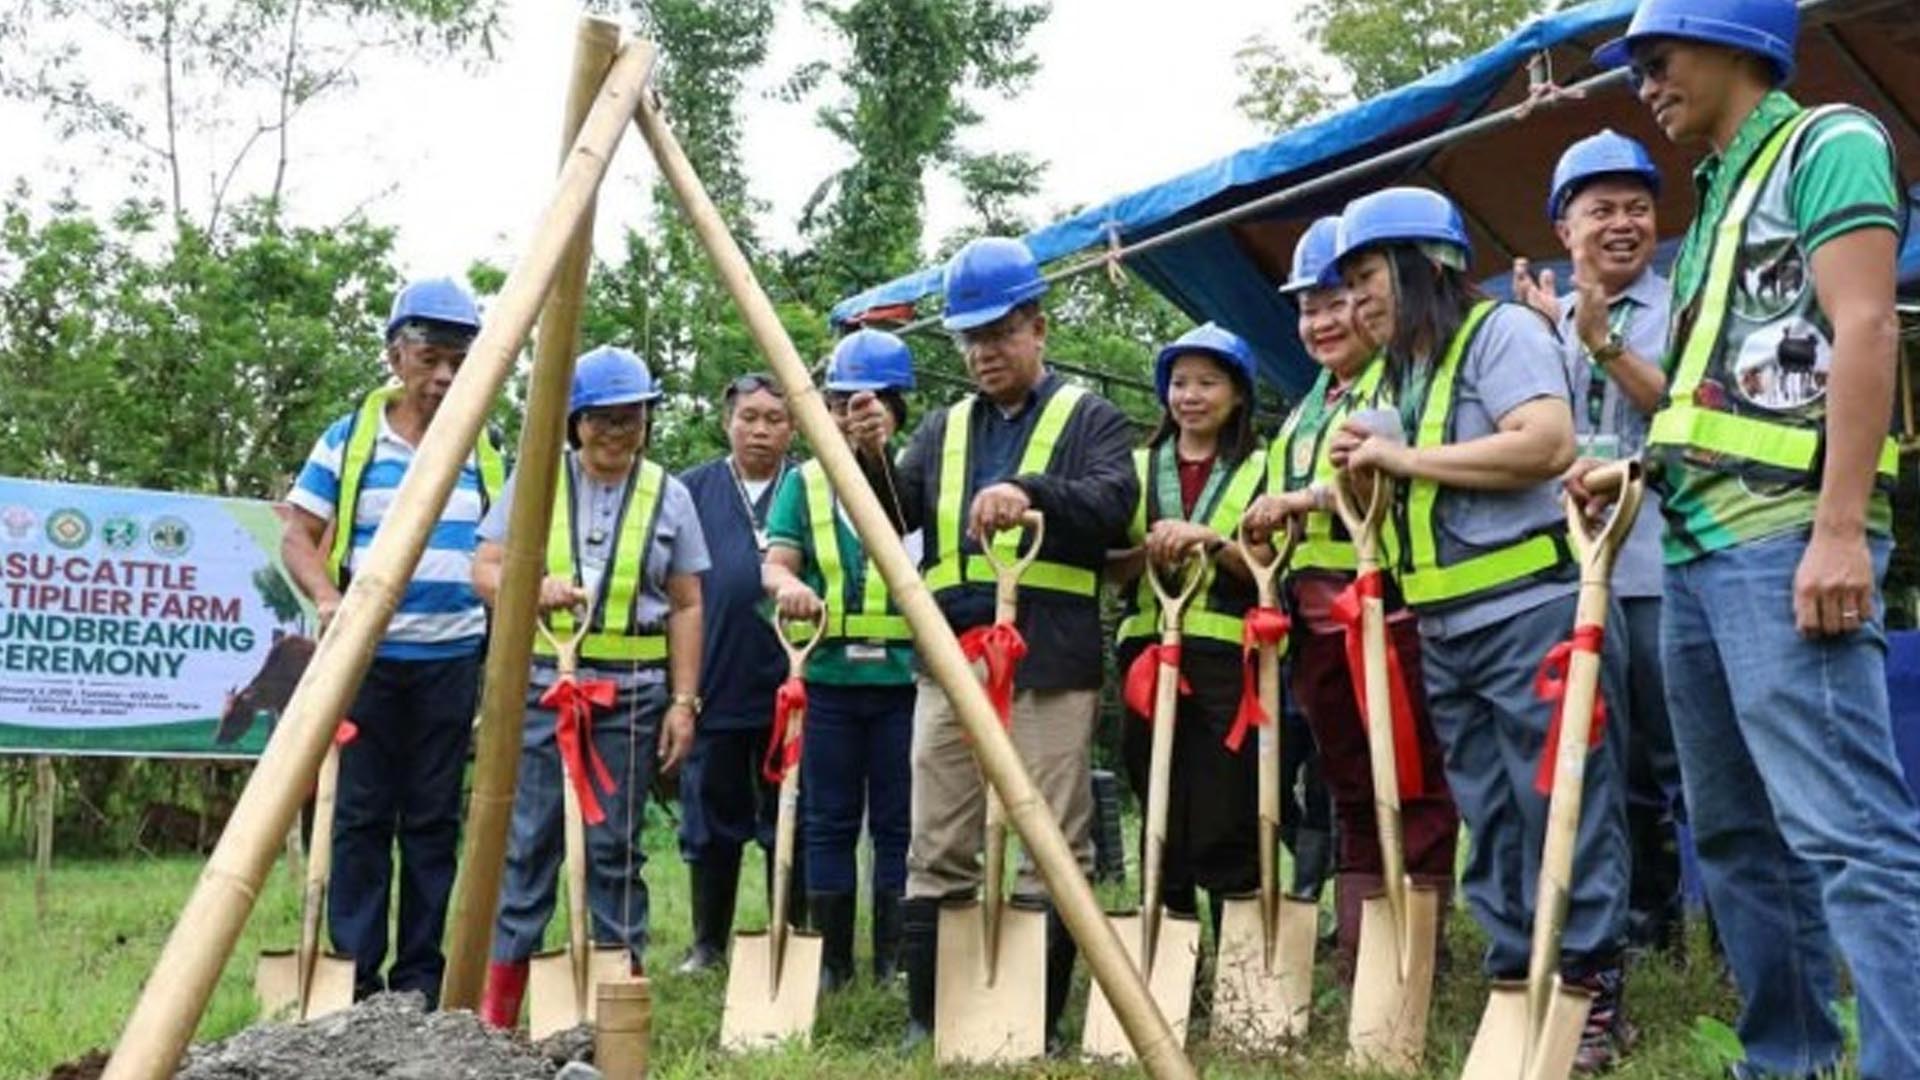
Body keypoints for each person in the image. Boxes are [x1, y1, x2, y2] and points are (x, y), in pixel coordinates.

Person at [1583, 2, 1920, 1075]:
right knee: (1734, 836)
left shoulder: (1831, 141)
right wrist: (1634, 455)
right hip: (1693, 552)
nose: (1645, 84)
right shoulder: (1715, 198)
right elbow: (1717, 401)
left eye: (1658, 57)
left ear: (1738, 40)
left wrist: (1840, 532)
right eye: (1635, 67)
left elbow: (1866, 326)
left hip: (1787, 543)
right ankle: (1786, 1059)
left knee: (1848, 833)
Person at [1327, 188, 1633, 1070]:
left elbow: (1545, 443)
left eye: (1368, 277)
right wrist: (1355, 470)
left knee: (1561, 805)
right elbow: (1404, 480)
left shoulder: (1501, 333)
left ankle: (1588, 989)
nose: (1356, 301)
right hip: (1446, 628)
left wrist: (1402, 456)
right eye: (1348, 284)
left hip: (1530, 612)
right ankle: (1513, 980)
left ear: (1426, 265)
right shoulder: (1399, 374)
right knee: (1490, 816)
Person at [844, 236, 1139, 1052]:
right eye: (970, 338)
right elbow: (896, 517)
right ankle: (931, 1017)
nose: (984, 352)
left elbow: (1113, 505)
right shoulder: (941, 430)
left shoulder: (1092, 419)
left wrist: (1028, 491)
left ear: (1038, 328)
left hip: (1049, 661)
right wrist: (867, 455)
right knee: (938, 836)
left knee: (1052, 841)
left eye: (1000, 333)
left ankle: (1034, 1020)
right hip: (951, 663)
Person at [1243, 217, 1461, 982]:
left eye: (1336, 301)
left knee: (1412, 779)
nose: (1322, 323)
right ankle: (1361, 949)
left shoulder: (1396, 385)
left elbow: (1386, 482)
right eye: (1308, 308)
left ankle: (1416, 947)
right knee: (1349, 784)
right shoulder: (1304, 408)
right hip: (1316, 629)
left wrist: (1299, 501)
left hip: (1385, 615)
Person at [279, 276, 505, 1006]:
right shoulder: (349, 442)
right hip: (367, 664)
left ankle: (419, 983)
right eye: (430, 359)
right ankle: (355, 976)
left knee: (434, 820)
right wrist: (327, 597)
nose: (443, 376)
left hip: (452, 662)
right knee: (361, 816)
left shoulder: (486, 450)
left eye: (458, 363)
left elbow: (503, 550)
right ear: (395, 356)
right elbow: (297, 535)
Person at [470, 346, 706, 1027]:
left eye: (631, 418)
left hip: (632, 697)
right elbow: (484, 569)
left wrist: (683, 702)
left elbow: (687, 603)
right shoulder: (537, 480)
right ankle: (499, 1012)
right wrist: (531, 585)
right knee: (530, 843)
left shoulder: (670, 494)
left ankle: (616, 1006)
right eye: (602, 418)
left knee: (614, 849)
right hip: (546, 688)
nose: (617, 432)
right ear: (575, 421)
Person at [1515, 130, 1688, 959]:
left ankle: (1732, 934)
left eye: (1638, 208)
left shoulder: (1683, 302)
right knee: (1604, 757)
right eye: (1602, 210)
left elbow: (1683, 410)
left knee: (1683, 750)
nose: (1623, 224)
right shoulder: (1539, 329)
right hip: (1573, 577)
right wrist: (1556, 330)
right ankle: (1643, 926)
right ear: (1564, 229)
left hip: (1660, 563)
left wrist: (1596, 338)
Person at [762, 329, 920, 991]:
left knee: (898, 823)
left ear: (896, 408)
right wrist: (788, 588)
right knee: (826, 820)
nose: (854, 416)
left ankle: (893, 958)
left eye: (870, 402)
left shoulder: (916, 475)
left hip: (904, 682)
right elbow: (776, 563)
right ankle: (831, 963)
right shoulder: (803, 483)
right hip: (826, 678)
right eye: (839, 404)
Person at [1108, 322, 1268, 948]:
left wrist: (1211, 542)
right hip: (1146, 655)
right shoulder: (1134, 466)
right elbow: (1108, 566)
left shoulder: (1262, 468)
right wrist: (1145, 553)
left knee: (1226, 806)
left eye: (1207, 383)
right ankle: (1170, 950)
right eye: (1179, 383)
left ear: (1238, 393)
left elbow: (1269, 569)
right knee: (1158, 802)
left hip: (1228, 662)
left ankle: (1238, 959)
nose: (1191, 396)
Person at [675, 372, 805, 973]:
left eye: (774, 419)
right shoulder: (691, 489)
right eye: (748, 417)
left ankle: (793, 933)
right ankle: (708, 944)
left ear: (793, 428)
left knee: (792, 811)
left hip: (793, 680)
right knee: (710, 814)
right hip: (716, 679)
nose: (760, 430)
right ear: (727, 422)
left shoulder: (806, 486)